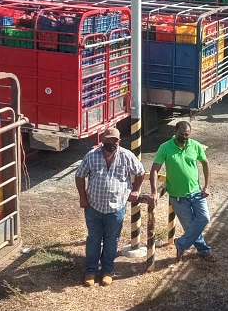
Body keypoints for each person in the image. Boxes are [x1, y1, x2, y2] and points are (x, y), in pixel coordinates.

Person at [75, 126, 145, 287]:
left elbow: (140, 172)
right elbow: (79, 175)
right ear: (102, 140)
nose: (111, 143)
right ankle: (91, 271)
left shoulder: (127, 156)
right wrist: (82, 197)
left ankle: (107, 271)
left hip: (116, 208)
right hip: (94, 206)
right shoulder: (91, 156)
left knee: (111, 240)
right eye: (108, 140)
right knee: (93, 239)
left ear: (119, 141)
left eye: (115, 140)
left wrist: (135, 190)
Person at [149, 121, 215, 262]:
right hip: (178, 197)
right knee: (191, 227)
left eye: (187, 135)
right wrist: (154, 191)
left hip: (196, 192)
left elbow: (205, 163)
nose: (184, 137)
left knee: (204, 219)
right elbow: (154, 170)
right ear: (175, 132)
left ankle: (180, 244)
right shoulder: (165, 147)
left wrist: (207, 185)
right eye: (181, 134)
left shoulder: (195, 145)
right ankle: (204, 251)